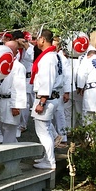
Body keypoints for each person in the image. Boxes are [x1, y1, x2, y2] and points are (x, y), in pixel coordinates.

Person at [30, 29, 62, 170]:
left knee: (43, 131)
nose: (37, 42)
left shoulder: (49, 58)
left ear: (43, 39)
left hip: (46, 98)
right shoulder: (53, 55)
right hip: (51, 96)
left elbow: (47, 81)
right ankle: (47, 157)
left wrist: (42, 101)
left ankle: (50, 161)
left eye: (38, 39)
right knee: (46, 130)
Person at [0, 40, 28, 144]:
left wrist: (16, 105)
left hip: (11, 101)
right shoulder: (0, 64)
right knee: (2, 128)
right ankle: (12, 154)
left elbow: (20, 87)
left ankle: (8, 158)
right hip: (0, 99)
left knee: (9, 130)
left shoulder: (18, 67)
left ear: (16, 51)